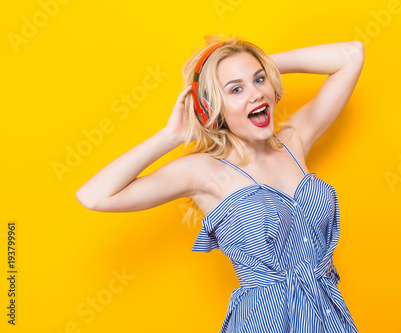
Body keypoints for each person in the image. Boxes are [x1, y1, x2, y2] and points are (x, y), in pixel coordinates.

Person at [76, 34, 365, 332]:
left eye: (259, 80)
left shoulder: (294, 140)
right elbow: (95, 196)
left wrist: (260, 65)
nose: (256, 94)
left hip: (329, 316)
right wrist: (170, 136)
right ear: (211, 105)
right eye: (236, 89)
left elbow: (351, 55)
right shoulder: (203, 171)